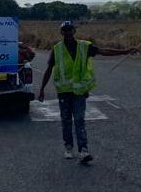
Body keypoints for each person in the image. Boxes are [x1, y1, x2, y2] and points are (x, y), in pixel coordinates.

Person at [38, 20, 129, 163]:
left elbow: (103, 51)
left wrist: (125, 51)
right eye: (65, 30)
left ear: (74, 31)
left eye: (70, 30)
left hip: (79, 92)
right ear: (61, 32)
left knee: (79, 120)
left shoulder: (84, 46)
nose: (68, 33)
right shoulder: (57, 49)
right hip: (64, 92)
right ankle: (68, 147)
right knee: (66, 120)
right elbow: (49, 69)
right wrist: (42, 89)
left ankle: (83, 150)